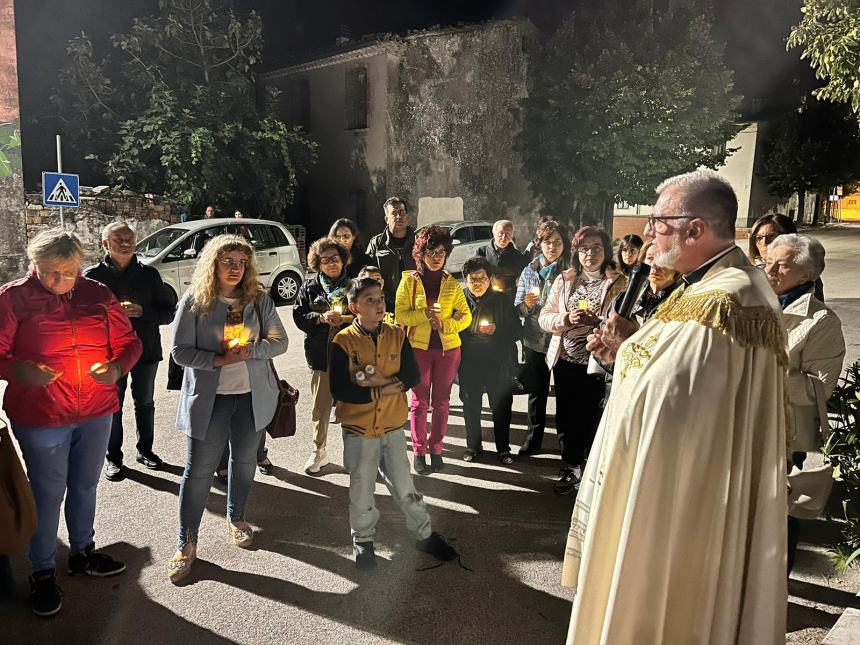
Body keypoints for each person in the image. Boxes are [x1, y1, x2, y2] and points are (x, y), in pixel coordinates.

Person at [569, 170, 788, 644]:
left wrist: (625, 353)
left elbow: (672, 401)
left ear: (694, 229)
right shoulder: (705, 284)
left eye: (658, 222)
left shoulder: (727, 300)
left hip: (684, 502)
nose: (648, 233)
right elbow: (670, 365)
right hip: (695, 485)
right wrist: (626, 348)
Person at [0, 229, 142, 616]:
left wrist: (116, 368)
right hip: (42, 415)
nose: (60, 282)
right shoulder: (13, 298)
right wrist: (18, 371)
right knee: (47, 492)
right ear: (34, 264)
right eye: (50, 272)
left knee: (85, 484)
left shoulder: (97, 293)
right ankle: (42, 570)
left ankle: (82, 552)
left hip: (96, 409)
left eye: (69, 273)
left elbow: (131, 343)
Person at [168, 235, 288, 583]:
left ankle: (236, 518)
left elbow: (280, 342)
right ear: (213, 264)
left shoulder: (259, 299)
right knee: (199, 470)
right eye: (227, 261)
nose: (235, 268)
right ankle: (186, 542)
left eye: (241, 262)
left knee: (246, 460)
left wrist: (254, 350)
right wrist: (219, 359)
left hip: (252, 396)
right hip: (210, 399)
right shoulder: (195, 300)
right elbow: (180, 352)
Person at [329, 277, 458, 569]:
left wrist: (377, 382)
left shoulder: (397, 336)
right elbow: (341, 389)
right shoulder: (343, 341)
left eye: (380, 298)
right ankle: (363, 542)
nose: (378, 304)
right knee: (361, 490)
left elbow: (413, 375)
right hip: (358, 430)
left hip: (391, 428)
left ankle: (423, 534)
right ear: (354, 307)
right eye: (369, 300)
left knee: (405, 486)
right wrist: (386, 387)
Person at [764, 234, 845, 573]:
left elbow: (819, 389)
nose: (768, 269)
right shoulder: (750, 305)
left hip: (786, 439)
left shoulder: (821, 321)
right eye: (767, 260)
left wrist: (761, 372)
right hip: (739, 427)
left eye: (780, 264)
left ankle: (772, 600)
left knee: (779, 521)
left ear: (805, 274)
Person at [84, 222, 175, 481]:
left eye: (129, 238)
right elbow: (80, 317)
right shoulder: (92, 277)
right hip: (109, 355)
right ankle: (113, 458)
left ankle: (145, 450)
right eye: (118, 238)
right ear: (105, 244)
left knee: (145, 403)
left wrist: (143, 311)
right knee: (114, 406)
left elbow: (169, 312)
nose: (125, 242)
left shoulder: (150, 274)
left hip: (146, 350)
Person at [539, 226, 626, 495]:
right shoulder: (565, 280)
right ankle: (571, 467)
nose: (590, 254)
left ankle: (592, 472)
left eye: (596, 247)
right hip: (566, 360)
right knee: (567, 417)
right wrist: (565, 319)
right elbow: (544, 317)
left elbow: (628, 322)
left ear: (606, 251)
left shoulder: (619, 282)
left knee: (595, 417)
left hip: (600, 362)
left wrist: (597, 322)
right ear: (576, 253)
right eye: (584, 249)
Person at [395, 225, 472, 474]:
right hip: (418, 349)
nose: (436, 257)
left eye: (441, 252)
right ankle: (419, 451)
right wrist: (424, 315)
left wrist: (446, 323)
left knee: (441, 402)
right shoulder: (409, 281)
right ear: (421, 253)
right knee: (419, 403)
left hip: (448, 351)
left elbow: (466, 316)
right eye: (431, 251)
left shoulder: (452, 283)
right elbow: (400, 314)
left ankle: (436, 448)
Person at [293, 237, 352, 475]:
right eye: (325, 260)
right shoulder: (310, 287)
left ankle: (355, 454)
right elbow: (298, 316)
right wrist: (319, 318)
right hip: (320, 355)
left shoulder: (355, 285)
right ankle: (319, 450)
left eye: (335, 259)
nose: (331, 264)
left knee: (352, 407)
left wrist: (345, 319)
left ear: (342, 260)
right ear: (318, 263)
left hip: (351, 355)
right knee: (321, 408)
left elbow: (369, 315)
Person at [514, 219, 570, 456]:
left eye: (558, 242)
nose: (553, 247)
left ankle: (566, 443)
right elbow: (518, 307)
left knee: (566, 393)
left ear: (565, 245)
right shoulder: (530, 271)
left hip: (563, 341)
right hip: (535, 340)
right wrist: (527, 305)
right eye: (548, 242)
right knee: (537, 391)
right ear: (540, 244)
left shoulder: (570, 272)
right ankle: (533, 439)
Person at [458, 256, 521, 463]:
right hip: (469, 361)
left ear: (489, 278)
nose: (477, 283)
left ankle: (503, 448)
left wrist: (498, 330)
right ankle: (473, 446)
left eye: (482, 278)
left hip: (498, 361)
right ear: (465, 280)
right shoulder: (459, 300)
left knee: (501, 405)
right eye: (472, 278)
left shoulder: (502, 300)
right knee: (471, 404)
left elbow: (516, 331)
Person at [365, 197, 416, 310]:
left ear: (407, 216)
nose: (399, 217)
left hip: (414, 302)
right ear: (386, 219)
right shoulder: (376, 243)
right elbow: (366, 274)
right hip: (385, 303)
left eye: (402, 212)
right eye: (394, 213)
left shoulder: (418, 242)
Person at [476, 219, 528, 299]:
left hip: (509, 297)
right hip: (487, 295)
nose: (504, 238)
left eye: (508, 234)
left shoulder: (517, 256)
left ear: (511, 236)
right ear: (494, 233)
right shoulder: (482, 252)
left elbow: (523, 273)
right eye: (501, 233)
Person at [634, 240, 682, 322]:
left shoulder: (683, 300)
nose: (654, 265)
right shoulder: (631, 295)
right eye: (649, 258)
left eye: (662, 259)